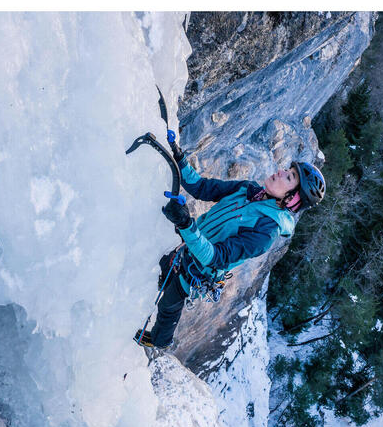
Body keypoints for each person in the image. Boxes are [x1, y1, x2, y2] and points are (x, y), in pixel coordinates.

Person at [135, 139, 326, 350]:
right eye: (287, 170)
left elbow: (215, 257)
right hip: (188, 245)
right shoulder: (249, 190)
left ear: (292, 199)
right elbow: (202, 188)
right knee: (158, 272)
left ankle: (159, 341)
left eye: (289, 177)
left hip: (197, 270)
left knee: (168, 304)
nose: (280, 172)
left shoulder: (265, 233)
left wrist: (185, 224)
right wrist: (180, 160)